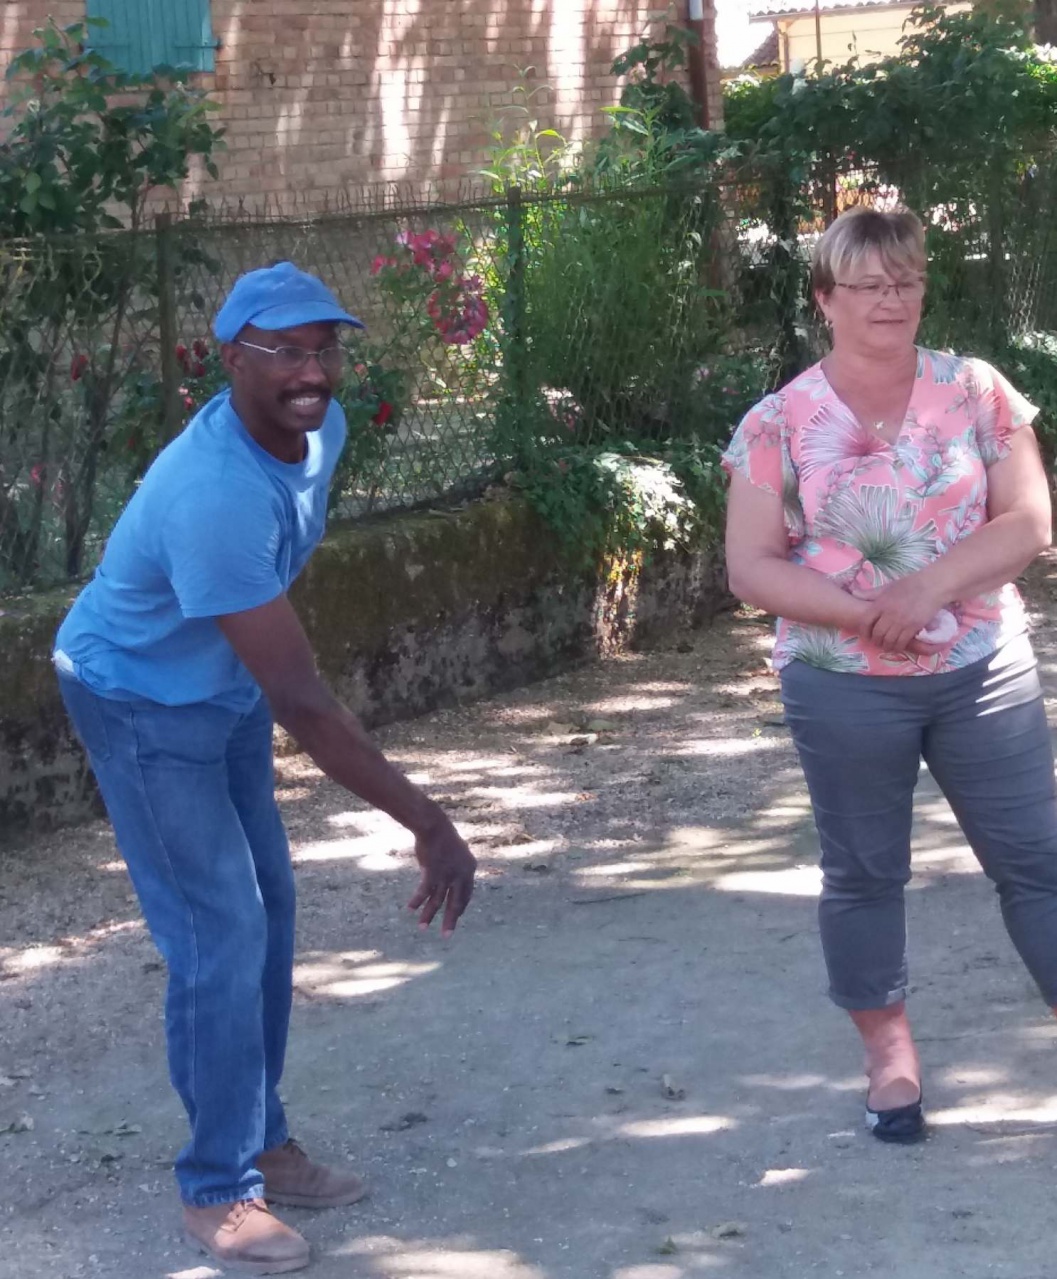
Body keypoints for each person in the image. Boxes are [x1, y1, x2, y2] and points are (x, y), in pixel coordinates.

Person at [53, 262, 477, 1273]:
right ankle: (216, 1188)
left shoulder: (318, 428)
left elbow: (274, 647)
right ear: (230, 357)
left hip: (219, 683)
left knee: (270, 906)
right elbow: (306, 704)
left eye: (325, 346)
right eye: (285, 349)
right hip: (137, 697)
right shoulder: (211, 496)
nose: (312, 369)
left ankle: (262, 1137)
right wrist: (429, 820)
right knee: (218, 927)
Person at [723, 206, 1057, 1144]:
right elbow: (750, 566)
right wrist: (871, 615)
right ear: (824, 299)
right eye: (868, 284)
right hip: (840, 677)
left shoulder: (978, 392)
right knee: (864, 871)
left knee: (1037, 864)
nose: (891, 299)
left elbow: (1030, 520)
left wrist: (924, 592)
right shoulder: (775, 423)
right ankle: (889, 1057)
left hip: (982, 664)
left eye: (905, 280)